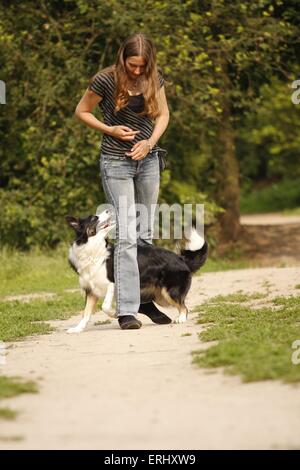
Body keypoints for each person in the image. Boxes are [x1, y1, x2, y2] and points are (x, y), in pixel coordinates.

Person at [75, 32, 170, 330]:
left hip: (148, 161)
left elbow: (164, 115)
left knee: (145, 234)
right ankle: (126, 309)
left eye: (142, 65)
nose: (137, 71)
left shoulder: (155, 77)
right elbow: (82, 111)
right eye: (132, 65)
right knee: (127, 235)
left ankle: (144, 300)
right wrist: (111, 129)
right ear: (122, 59)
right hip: (116, 163)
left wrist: (150, 143)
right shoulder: (105, 79)